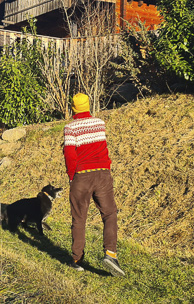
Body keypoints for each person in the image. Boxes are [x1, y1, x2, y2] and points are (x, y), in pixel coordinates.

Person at [63, 93, 125, 277]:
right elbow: (102, 148)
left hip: (81, 176)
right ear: (88, 105)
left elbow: (70, 155)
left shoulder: (70, 128)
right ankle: (110, 254)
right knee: (109, 213)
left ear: (73, 108)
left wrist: (72, 177)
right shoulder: (99, 123)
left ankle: (76, 260)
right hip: (103, 174)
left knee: (79, 218)